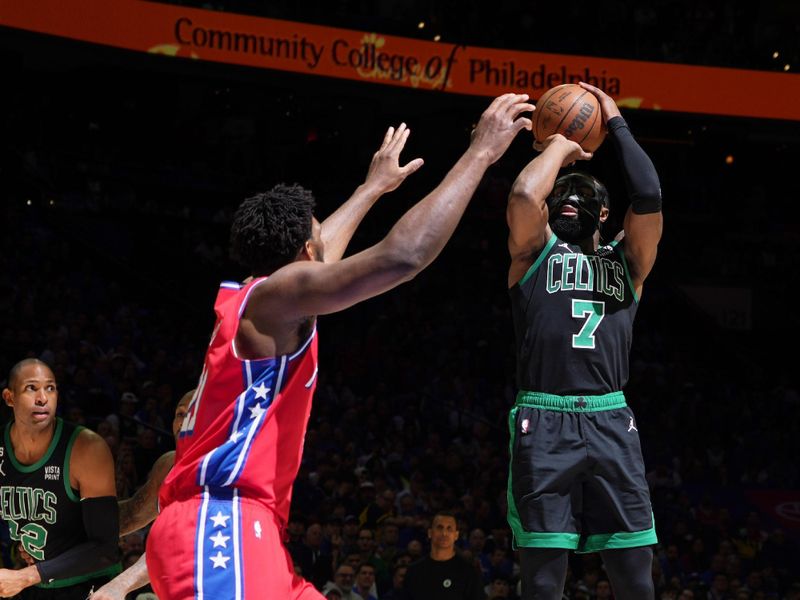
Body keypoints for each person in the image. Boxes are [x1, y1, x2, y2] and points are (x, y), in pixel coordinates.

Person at [145, 93, 535, 599]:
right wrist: (480, 153)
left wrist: (371, 189)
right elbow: (404, 255)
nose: (324, 243)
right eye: (315, 241)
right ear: (304, 255)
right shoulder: (274, 298)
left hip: (244, 525)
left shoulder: (262, 299)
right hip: (221, 524)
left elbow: (319, 249)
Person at [504, 80, 663, 600]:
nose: (567, 200)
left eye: (583, 196)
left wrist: (615, 122)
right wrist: (560, 147)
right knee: (544, 583)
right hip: (544, 419)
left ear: (603, 216)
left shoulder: (629, 262)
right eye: (562, 196)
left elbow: (650, 194)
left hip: (611, 418)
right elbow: (527, 193)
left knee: (635, 579)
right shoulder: (533, 254)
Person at [0, 358, 120, 598]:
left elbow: (105, 549)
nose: (43, 398)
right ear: (9, 398)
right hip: (34, 583)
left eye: (50, 388)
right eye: (31, 388)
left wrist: (25, 576)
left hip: (90, 584)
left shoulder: (86, 448)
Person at [88, 390, 194, 600]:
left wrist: (119, 585)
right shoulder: (169, 464)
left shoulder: (225, 467)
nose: (183, 422)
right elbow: (133, 514)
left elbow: (177, 541)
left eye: (192, 413)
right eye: (179, 414)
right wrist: (67, 522)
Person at [402, 511, 485, 600]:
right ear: (430, 533)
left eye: (449, 529)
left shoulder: (469, 572)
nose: (444, 533)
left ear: (456, 535)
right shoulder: (414, 571)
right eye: (439, 528)